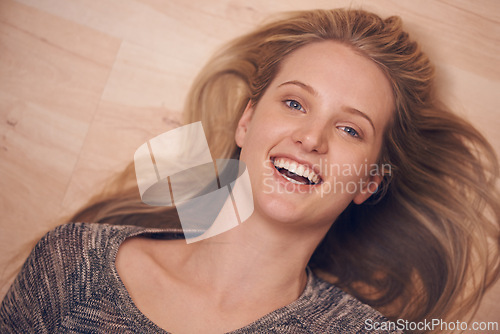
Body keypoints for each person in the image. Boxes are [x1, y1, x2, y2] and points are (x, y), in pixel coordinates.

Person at [1, 8, 499, 334]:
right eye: (294, 103)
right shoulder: (71, 265)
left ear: (369, 182)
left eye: (350, 130)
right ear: (247, 120)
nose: (311, 138)